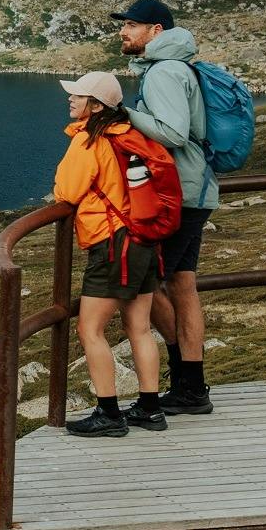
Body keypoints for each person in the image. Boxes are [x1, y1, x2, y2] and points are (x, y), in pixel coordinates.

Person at [111, 0, 217, 415]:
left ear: (156, 31)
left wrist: (124, 114)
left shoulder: (164, 72)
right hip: (194, 191)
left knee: (144, 283)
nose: (123, 32)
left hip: (177, 196)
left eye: (131, 25)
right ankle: (192, 387)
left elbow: (172, 133)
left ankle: (179, 383)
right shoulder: (176, 66)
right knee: (182, 285)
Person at [50, 70, 169, 437]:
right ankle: (150, 409)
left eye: (78, 95)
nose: (71, 99)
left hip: (113, 243)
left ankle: (109, 413)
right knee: (139, 327)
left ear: (97, 106)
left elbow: (67, 192)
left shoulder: (89, 139)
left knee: (90, 329)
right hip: (143, 239)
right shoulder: (128, 133)